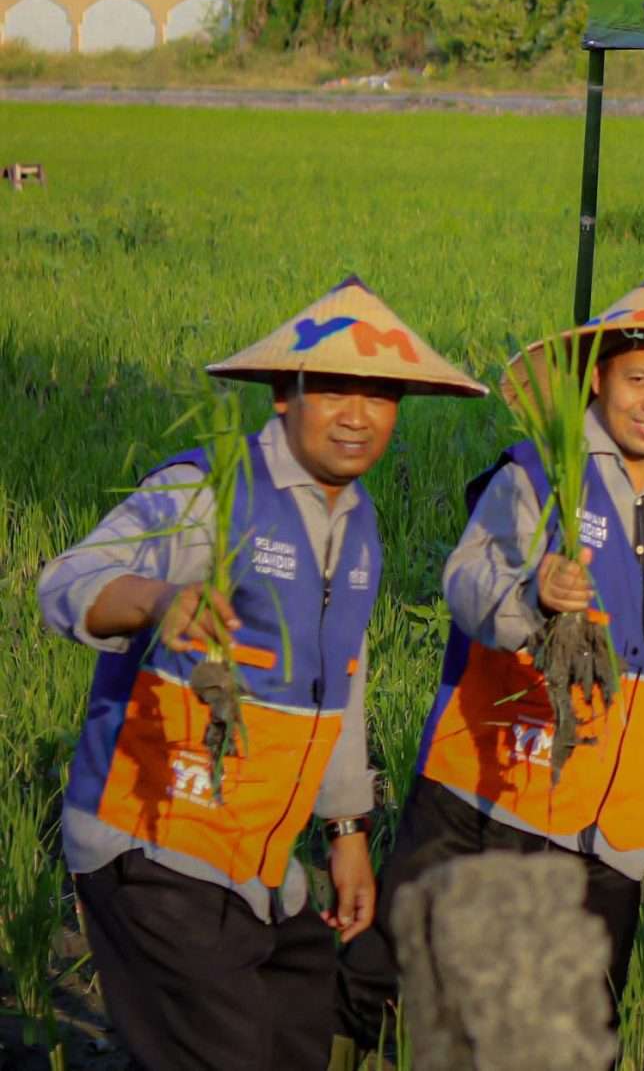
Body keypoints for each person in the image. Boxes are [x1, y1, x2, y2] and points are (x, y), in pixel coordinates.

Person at [40, 277, 485, 1071]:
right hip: (156, 841)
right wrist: (158, 598)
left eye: (380, 395)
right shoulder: (209, 487)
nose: (358, 414)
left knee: (296, 1037)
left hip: (260, 858)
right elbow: (69, 579)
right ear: (286, 391)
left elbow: (341, 685)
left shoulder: (359, 522)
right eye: (335, 390)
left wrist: (346, 832)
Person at [340, 281, 644, 1042]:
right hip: (491, 796)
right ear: (598, 380)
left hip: (612, 834)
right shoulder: (534, 476)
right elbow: (466, 580)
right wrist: (534, 592)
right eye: (639, 379)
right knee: (382, 990)